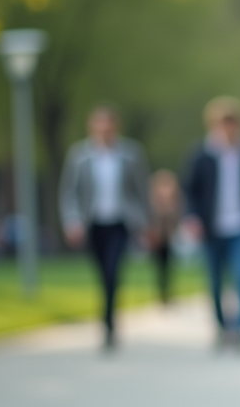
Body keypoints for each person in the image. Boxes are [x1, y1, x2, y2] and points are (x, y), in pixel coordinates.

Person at [59, 106, 150, 351]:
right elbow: (70, 193)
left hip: (121, 222)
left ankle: (109, 324)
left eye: (109, 124)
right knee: (102, 274)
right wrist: (72, 221)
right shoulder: (79, 156)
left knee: (113, 271)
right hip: (93, 224)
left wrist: (145, 222)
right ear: (92, 127)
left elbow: (141, 190)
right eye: (100, 124)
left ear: (115, 126)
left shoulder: (131, 154)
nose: (105, 129)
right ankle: (108, 317)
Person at [183, 97, 240, 350]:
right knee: (215, 281)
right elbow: (191, 191)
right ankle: (222, 328)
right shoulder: (201, 154)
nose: (227, 129)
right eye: (222, 124)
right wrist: (192, 218)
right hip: (212, 228)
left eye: (232, 123)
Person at [146, 169, 182, 304]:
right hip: (157, 237)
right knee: (159, 266)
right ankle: (162, 292)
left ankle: (167, 292)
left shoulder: (174, 200)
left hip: (169, 237)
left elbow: (176, 218)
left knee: (169, 265)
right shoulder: (153, 201)